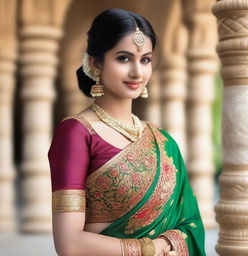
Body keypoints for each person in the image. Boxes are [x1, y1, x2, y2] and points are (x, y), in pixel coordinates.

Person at [48, 8, 206, 256]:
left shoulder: (164, 143)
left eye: (145, 59)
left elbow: (189, 225)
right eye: (123, 58)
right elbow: (69, 244)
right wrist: (149, 248)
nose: (137, 72)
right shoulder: (76, 134)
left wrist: (166, 243)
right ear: (95, 63)